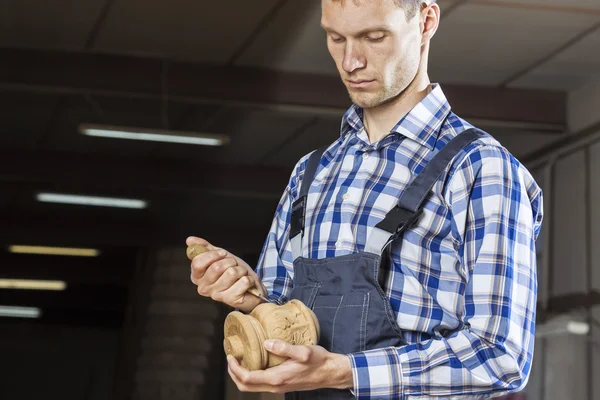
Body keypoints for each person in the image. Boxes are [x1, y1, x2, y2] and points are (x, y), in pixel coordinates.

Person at [188, 0, 543, 398]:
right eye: (335, 37)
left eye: (374, 37)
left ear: (426, 21)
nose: (351, 62)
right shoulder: (312, 171)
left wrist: (345, 372)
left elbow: (499, 357)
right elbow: (282, 312)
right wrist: (251, 296)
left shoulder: (479, 168)